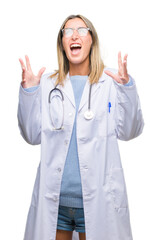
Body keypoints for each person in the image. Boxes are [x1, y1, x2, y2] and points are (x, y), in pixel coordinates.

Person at [18, 14, 144, 240]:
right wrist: (29, 92)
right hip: (56, 202)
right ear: (62, 43)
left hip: (98, 200)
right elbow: (31, 134)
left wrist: (127, 89)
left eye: (81, 30)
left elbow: (130, 131)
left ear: (91, 39)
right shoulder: (47, 84)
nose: (74, 35)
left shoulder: (111, 82)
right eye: (67, 32)